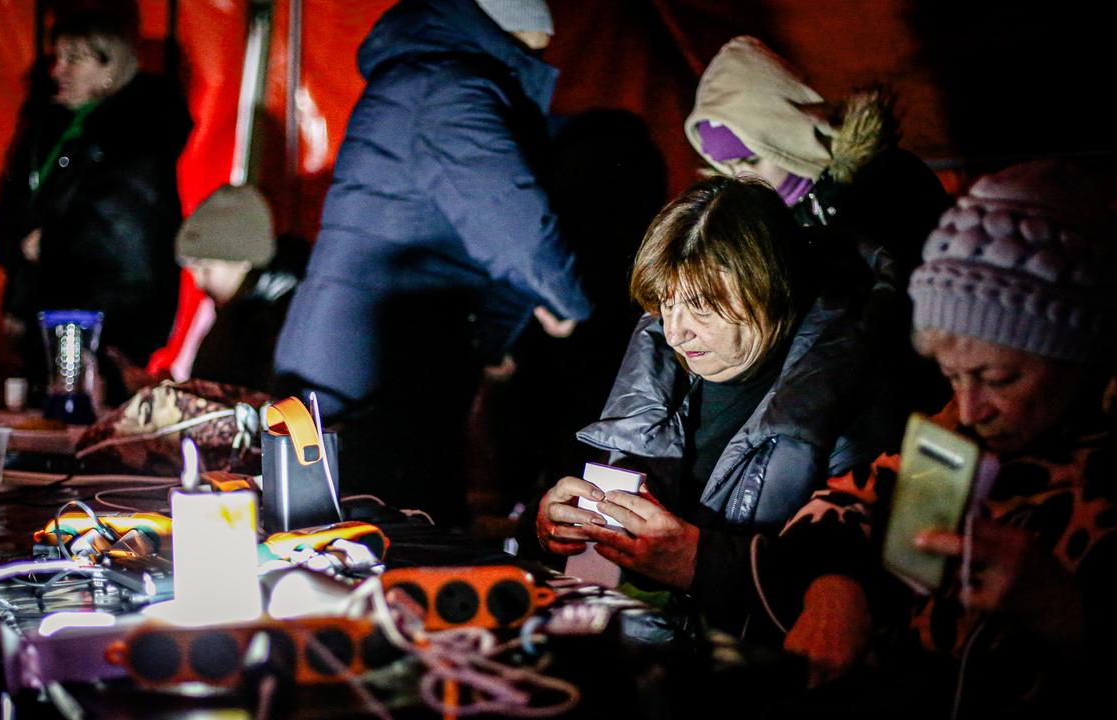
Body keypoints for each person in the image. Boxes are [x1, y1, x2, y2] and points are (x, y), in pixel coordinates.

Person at [774, 160, 1117, 716]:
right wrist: (837, 587)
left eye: (997, 378)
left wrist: (1067, 613)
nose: (969, 407)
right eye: (952, 376)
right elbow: (850, 501)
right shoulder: (960, 437)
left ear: (1079, 355)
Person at [533, 176, 904, 632]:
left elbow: (864, 584)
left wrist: (699, 563)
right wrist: (557, 533)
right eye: (665, 305)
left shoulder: (850, 392)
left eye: (702, 307)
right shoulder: (655, 361)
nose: (675, 332)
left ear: (772, 287)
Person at [274, 0, 590, 524]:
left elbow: (446, 225)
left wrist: (492, 339)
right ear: (506, 31)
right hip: (377, 368)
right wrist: (566, 300)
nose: (543, 58)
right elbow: (507, 218)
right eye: (534, 46)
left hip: (356, 355)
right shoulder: (452, 88)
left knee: (332, 540)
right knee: (386, 539)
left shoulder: (427, 75)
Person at [685, 35, 950, 416]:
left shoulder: (885, 180)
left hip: (915, 390)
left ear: (785, 135)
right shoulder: (758, 218)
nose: (740, 179)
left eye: (751, 160)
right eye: (727, 168)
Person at [0, 9, 191, 391]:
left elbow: (123, 232)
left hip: (109, 322)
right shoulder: (50, 124)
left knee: (86, 422)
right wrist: (19, 296)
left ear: (110, 68)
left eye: (74, 59)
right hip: (56, 314)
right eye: (58, 57)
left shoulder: (138, 134)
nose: (57, 70)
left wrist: (50, 244)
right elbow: (22, 209)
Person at [110, 184, 307, 393]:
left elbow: (250, 407)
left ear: (244, 261)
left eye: (205, 269)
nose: (197, 282)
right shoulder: (235, 313)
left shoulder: (279, 324)